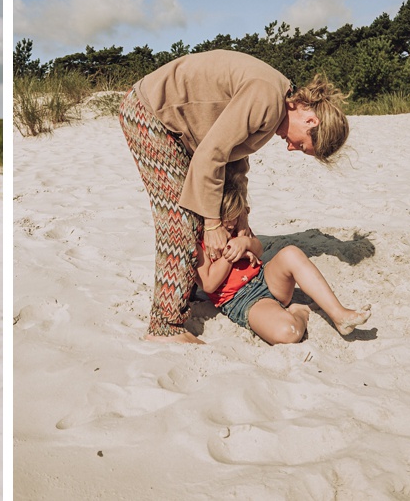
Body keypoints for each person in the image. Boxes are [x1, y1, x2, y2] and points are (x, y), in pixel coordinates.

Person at [119, 49, 349, 343]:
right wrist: (213, 224)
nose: (292, 149)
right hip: (149, 113)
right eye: (302, 146)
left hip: (175, 126)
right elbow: (211, 155)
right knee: (181, 218)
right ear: (311, 121)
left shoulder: (274, 102)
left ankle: (187, 287)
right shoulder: (267, 96)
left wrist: (241, 217)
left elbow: (233, 160)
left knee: (201, 208)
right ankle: (164, 327)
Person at [200, 170, 370, 344]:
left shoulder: (236, 226)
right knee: (289, 333)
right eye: (226, 225)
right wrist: (230, 255)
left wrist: (245, 242)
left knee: (291, 253)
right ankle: (300, 312)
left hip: (265, 278)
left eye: (234, 223)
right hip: (242, 299)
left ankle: (338, 314)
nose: (231, 228)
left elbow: (258, 250)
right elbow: (209, 284)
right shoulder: (199, 241)